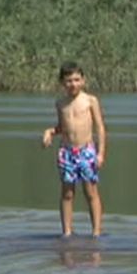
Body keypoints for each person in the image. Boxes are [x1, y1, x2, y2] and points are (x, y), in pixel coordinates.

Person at [40, 62, 107, 237]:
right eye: (69, 81)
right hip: (67, 152)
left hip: (86, 151)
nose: (73, 84)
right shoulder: (60, 104)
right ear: (62, 82)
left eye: (77, 80)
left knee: (91, 192)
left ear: (83, 80)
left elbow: (100, 127)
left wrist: (100, 153)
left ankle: (96, 232)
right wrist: (49, 132)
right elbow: (62, 127)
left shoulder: (90, 101)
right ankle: (67, 232)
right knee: (67, 193)